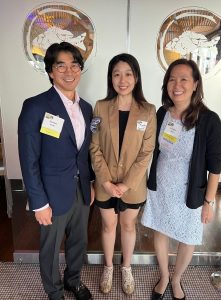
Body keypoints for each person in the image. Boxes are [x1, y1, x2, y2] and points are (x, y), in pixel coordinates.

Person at [141, 58, 221, 300]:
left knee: (188, 237)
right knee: (160, 230)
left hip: (191, 192)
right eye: (171, 79)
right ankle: (164, 276)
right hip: (161, 186)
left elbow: (215, 165)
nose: (176, 85)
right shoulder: (162, 113)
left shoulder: (209, 120)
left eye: (184, 79)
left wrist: (208, 201)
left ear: (196, 84)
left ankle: (176, 279)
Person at [18, 42, 94, 300]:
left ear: (80, 69)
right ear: (50, 71)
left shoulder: (86, 108)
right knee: (50, 247)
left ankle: (73, 280)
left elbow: (84, 152)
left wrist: (90, 183)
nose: (68, 71)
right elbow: (29, 158)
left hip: (81, 190)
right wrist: (39, 203)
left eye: (74, 65)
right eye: (60, 65)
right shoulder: (35, 106)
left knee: (78, 242)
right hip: (50, 194)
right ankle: (54, 291)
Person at [90, 53, 156, 295]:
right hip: (104, 182)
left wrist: (126, 184)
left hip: (134, 184)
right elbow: (94, 146)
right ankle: (108, 267)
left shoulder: (148, 111)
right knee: (108, 226)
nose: (122, 79)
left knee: (128, 226)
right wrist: (106, 181)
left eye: (128, 74)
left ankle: (126, 267)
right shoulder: (100, 106)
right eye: (116, 74)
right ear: (111, 78)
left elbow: (146, 152)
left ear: (136, 78)